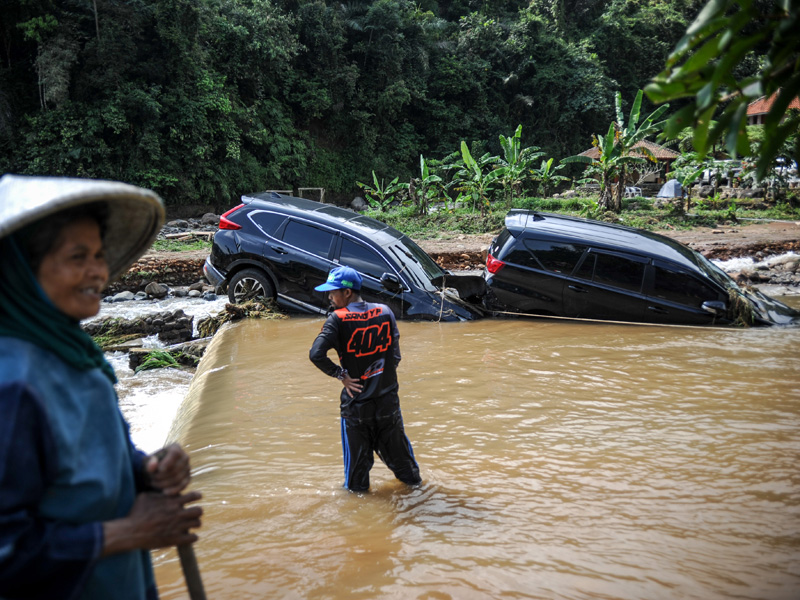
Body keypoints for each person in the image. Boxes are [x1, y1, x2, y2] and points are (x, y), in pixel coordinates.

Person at [0, 174, 202, 600]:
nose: (98, 271)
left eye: (98, 255)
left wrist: (147, 471)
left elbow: (92, 465)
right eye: (78, 257)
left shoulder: (78, 358)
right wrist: (128, 532)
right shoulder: (12, 385)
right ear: (20, 270)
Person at [309, 265, 421, 492]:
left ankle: (357, 513)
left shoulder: (337, 319)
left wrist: (341, 375)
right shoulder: (385, 312)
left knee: (356, 483)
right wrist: (380, 377)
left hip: (357, 407)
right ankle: (419, 502)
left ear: (347, 292)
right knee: (408, 472)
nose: (329, 297)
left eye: (333, 292)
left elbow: (316, 354)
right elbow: (395, 356)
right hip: (388, 404)